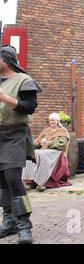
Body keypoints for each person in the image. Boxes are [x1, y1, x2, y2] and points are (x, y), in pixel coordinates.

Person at [0, 45, 41, 244]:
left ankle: (23, 224)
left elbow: (30, 107)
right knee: (1, 181)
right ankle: (9, 221)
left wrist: (5, 98)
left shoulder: (24, 81)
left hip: (15, 134)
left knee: (13, 178)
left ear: (5, 60)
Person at [22, 113, 71, 192]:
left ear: (58, 121)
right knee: (32, 154)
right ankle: (29, 181)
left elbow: (62, 144)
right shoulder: (46, 130)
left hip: (56, 151)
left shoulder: (63, 131)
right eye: (50, 120)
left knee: (42, 155)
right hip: (44, 149)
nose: (51, 122)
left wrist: (49, 143)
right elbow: (38, 140)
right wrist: (37, 142)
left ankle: (42, 182)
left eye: (53, 120)